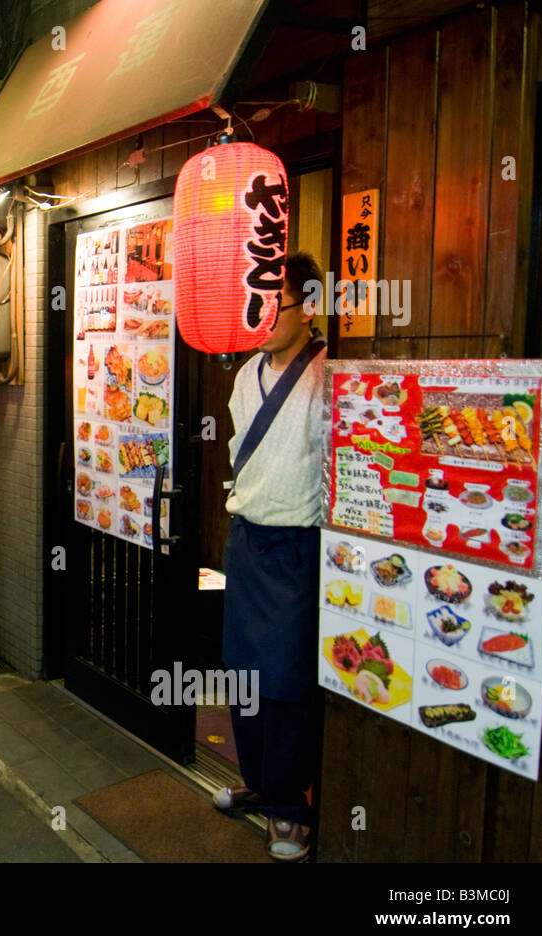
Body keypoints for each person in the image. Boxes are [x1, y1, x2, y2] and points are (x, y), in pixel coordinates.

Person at [212, 251, 327, 863]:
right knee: (243, 672)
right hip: (249, 542)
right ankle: (260, 783)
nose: (260, 316)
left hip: (298, 547)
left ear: (308, 305)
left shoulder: (331, 374)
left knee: (285, 683)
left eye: (272, 303)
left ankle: (291, 809)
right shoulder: (243, 375)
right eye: (253, 303)